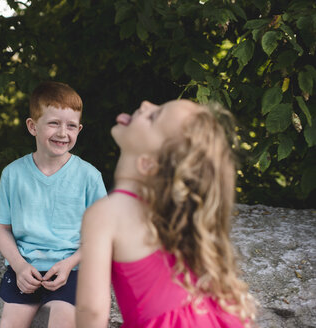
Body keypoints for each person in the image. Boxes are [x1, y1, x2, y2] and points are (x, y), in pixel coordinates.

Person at [76, 100, 257, 327]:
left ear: (148, 164)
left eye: (153, 117)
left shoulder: (106, 214)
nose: (144, 104)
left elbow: (91, 311)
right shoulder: (175, 216)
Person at [0, 81, 107, 328]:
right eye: (54, 123)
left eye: (71, 126)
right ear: (33, 126)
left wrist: (69, 264)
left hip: (71, 269)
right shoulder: (13, 174)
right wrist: (19, 266)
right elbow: (0, 229)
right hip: (26, 270)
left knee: (63, 321)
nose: (63, 133)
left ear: (79, 129)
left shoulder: (89, 177)